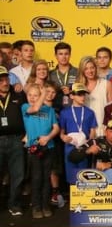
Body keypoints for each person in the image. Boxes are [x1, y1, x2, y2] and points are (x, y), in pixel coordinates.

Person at [21, 83, 59, 218]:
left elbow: (56, 128)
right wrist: (43, 93)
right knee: (36, 178)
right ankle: (36, 207)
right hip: (34, 149)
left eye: (35, 95)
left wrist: (48, 137)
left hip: (48, 147)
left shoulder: (49, 110)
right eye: (29, 95)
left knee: (46, 178)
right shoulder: (25, 107)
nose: (32, 98)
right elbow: (35, 107)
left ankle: (45, 205)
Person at [0, 66, 27, 216]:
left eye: (6, 79)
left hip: (17, 140)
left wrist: (27, 134)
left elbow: (28, 113)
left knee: (18, 174)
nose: (4, 82)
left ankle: (14, 205)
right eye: (1, 80)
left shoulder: (18, 94)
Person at [59, 83, 97, 185]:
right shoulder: (64, 112)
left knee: (83, 174)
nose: (82, 97)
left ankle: (83, 198)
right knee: (71, 175)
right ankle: (73, 198)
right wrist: (63, 137)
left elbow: (92, 132)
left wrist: (88, 144)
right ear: (71, 96)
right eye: (79, 94)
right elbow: (61, 132)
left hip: (84, 147)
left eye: (84, 94)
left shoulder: (90, 112)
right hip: (70, 147)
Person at [76, 56, 112, 137]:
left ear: (96, 68)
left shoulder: (106, 84)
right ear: (82, 70)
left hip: (102, 130)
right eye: (86, 69)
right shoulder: (78, 87)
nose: (90, 71)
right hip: (83, 131)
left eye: (92, 68)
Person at [51, 42, 78, 108]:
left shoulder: (78, 72)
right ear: (56, 56)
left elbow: (83, 92)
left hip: (73, 109)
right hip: (55, 110)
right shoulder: (50, 74)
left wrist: (71, 92)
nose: (64, 57)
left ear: (70, 55)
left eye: (66, 54)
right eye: (60, 54)